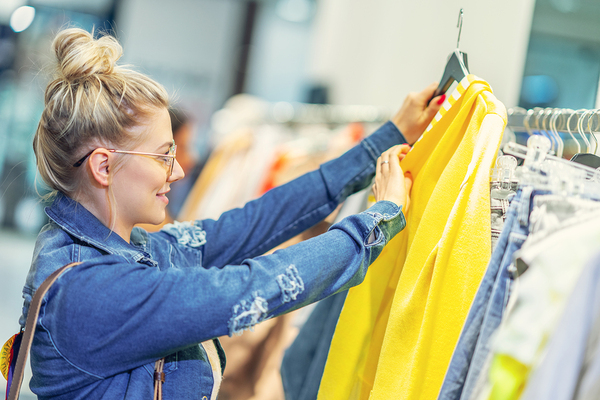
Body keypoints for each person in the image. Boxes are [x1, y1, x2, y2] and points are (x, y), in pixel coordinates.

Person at [18, 28, 443, 399]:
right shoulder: (91, 288)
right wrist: (376, 222)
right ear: (104, 166)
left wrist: (385, 141)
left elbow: (252, 222)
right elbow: (250, 287)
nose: (180, 170)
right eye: (164, 156)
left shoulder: (123, 250)